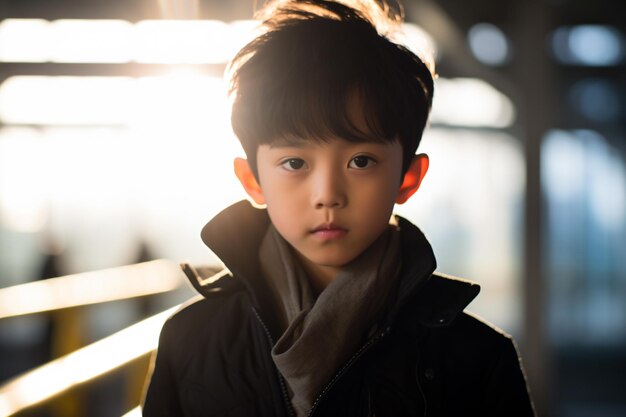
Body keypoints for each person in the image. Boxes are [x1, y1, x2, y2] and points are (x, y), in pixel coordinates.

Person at [142, 0, 535, 415]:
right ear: (253, 181)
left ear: (408, 178)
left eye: (360, 161)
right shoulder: (191, 339)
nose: (327, 193)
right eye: (295, 163)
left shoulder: (476, 358)